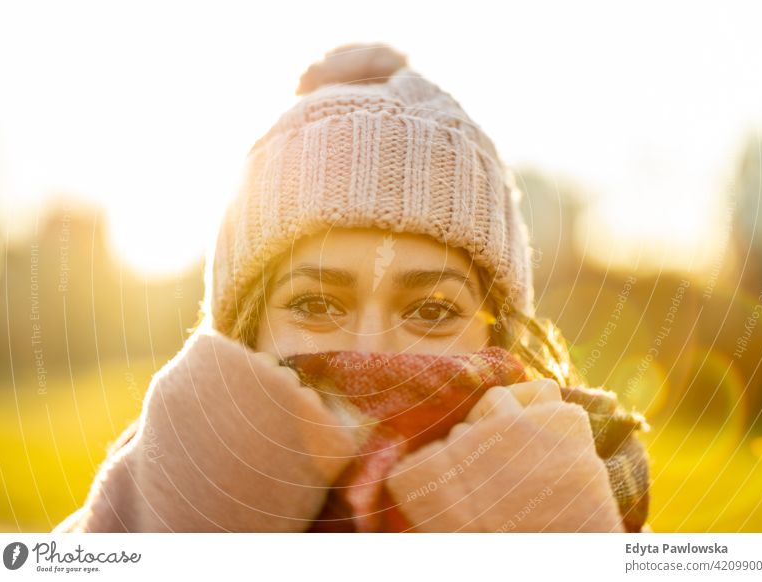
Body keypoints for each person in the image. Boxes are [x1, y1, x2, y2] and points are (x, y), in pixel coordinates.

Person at [53, 43, 650, 533]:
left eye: (433, 309)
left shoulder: (593, 493)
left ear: (498, 329)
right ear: (243, 330)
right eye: (315, 303)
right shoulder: (148, 506)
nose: (374, 351)